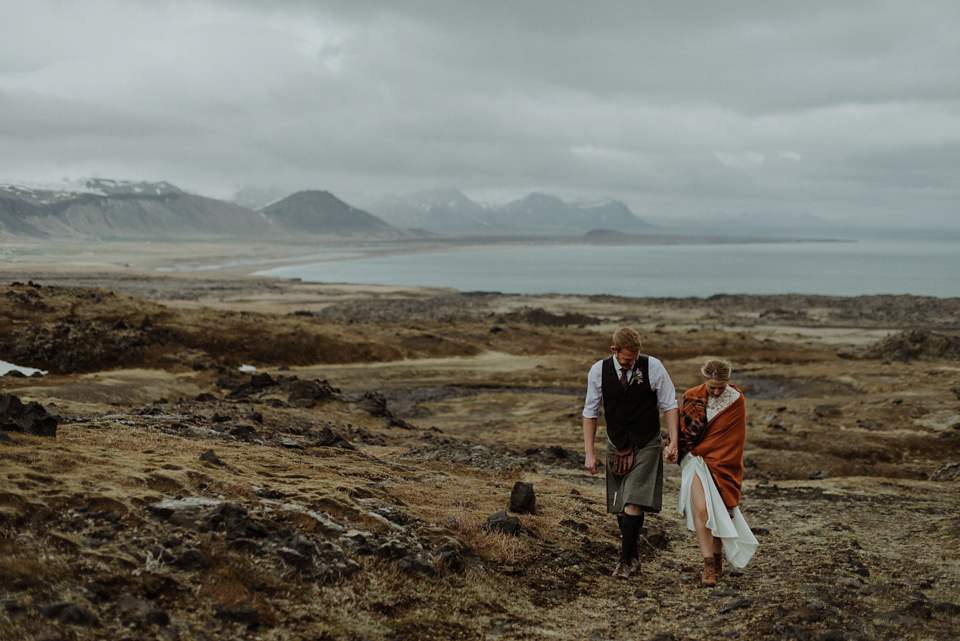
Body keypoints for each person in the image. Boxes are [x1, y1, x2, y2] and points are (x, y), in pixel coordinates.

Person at [583, 327, 679, 579]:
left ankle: (624, 562)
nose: (632, 362)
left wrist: (673, 440)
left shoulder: (653, 367)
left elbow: (669, 404)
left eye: (635, 357)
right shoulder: (598, 371)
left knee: (633, 500)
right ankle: (633, 557)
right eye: (627, 358)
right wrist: (589, 453)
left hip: (647, 441)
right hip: (616, 444)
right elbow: (590, 412)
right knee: (621, 505)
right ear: (614, 350)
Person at [676, 358, 758, 586]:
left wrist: (715, 454)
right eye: (712, 387)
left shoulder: (736, 400)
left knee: (718, 511)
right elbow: (683, 432)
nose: (716, 392)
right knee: (702, 509)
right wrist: (674, 447)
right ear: (704, 381)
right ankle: (708, 563)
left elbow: (734, 440)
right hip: (695, 461)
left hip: (724, 463)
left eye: (721, 387)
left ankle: (718, 556)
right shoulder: (691, 396)